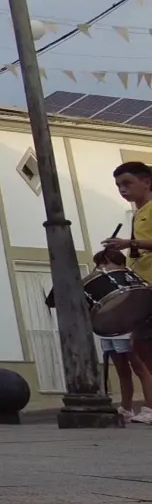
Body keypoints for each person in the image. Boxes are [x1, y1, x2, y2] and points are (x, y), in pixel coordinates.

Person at [46, 247, 152, 424]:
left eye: (104, 263)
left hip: (130, 324)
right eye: (99, 264)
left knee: (141, 368)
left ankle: (150, 407)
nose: (101, 267)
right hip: (110, 326)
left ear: (118, 262)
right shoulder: (102, 280)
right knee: (122, 371)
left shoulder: (127, 276)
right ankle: (126, 408)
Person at [102, 161, 152, 418]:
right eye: (119, 186)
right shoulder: (138, 213)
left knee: (143, 347)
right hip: (143, 289)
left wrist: (128, 242)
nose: (122, 190)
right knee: (141, 347)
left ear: (147, 182)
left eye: (127, 183)